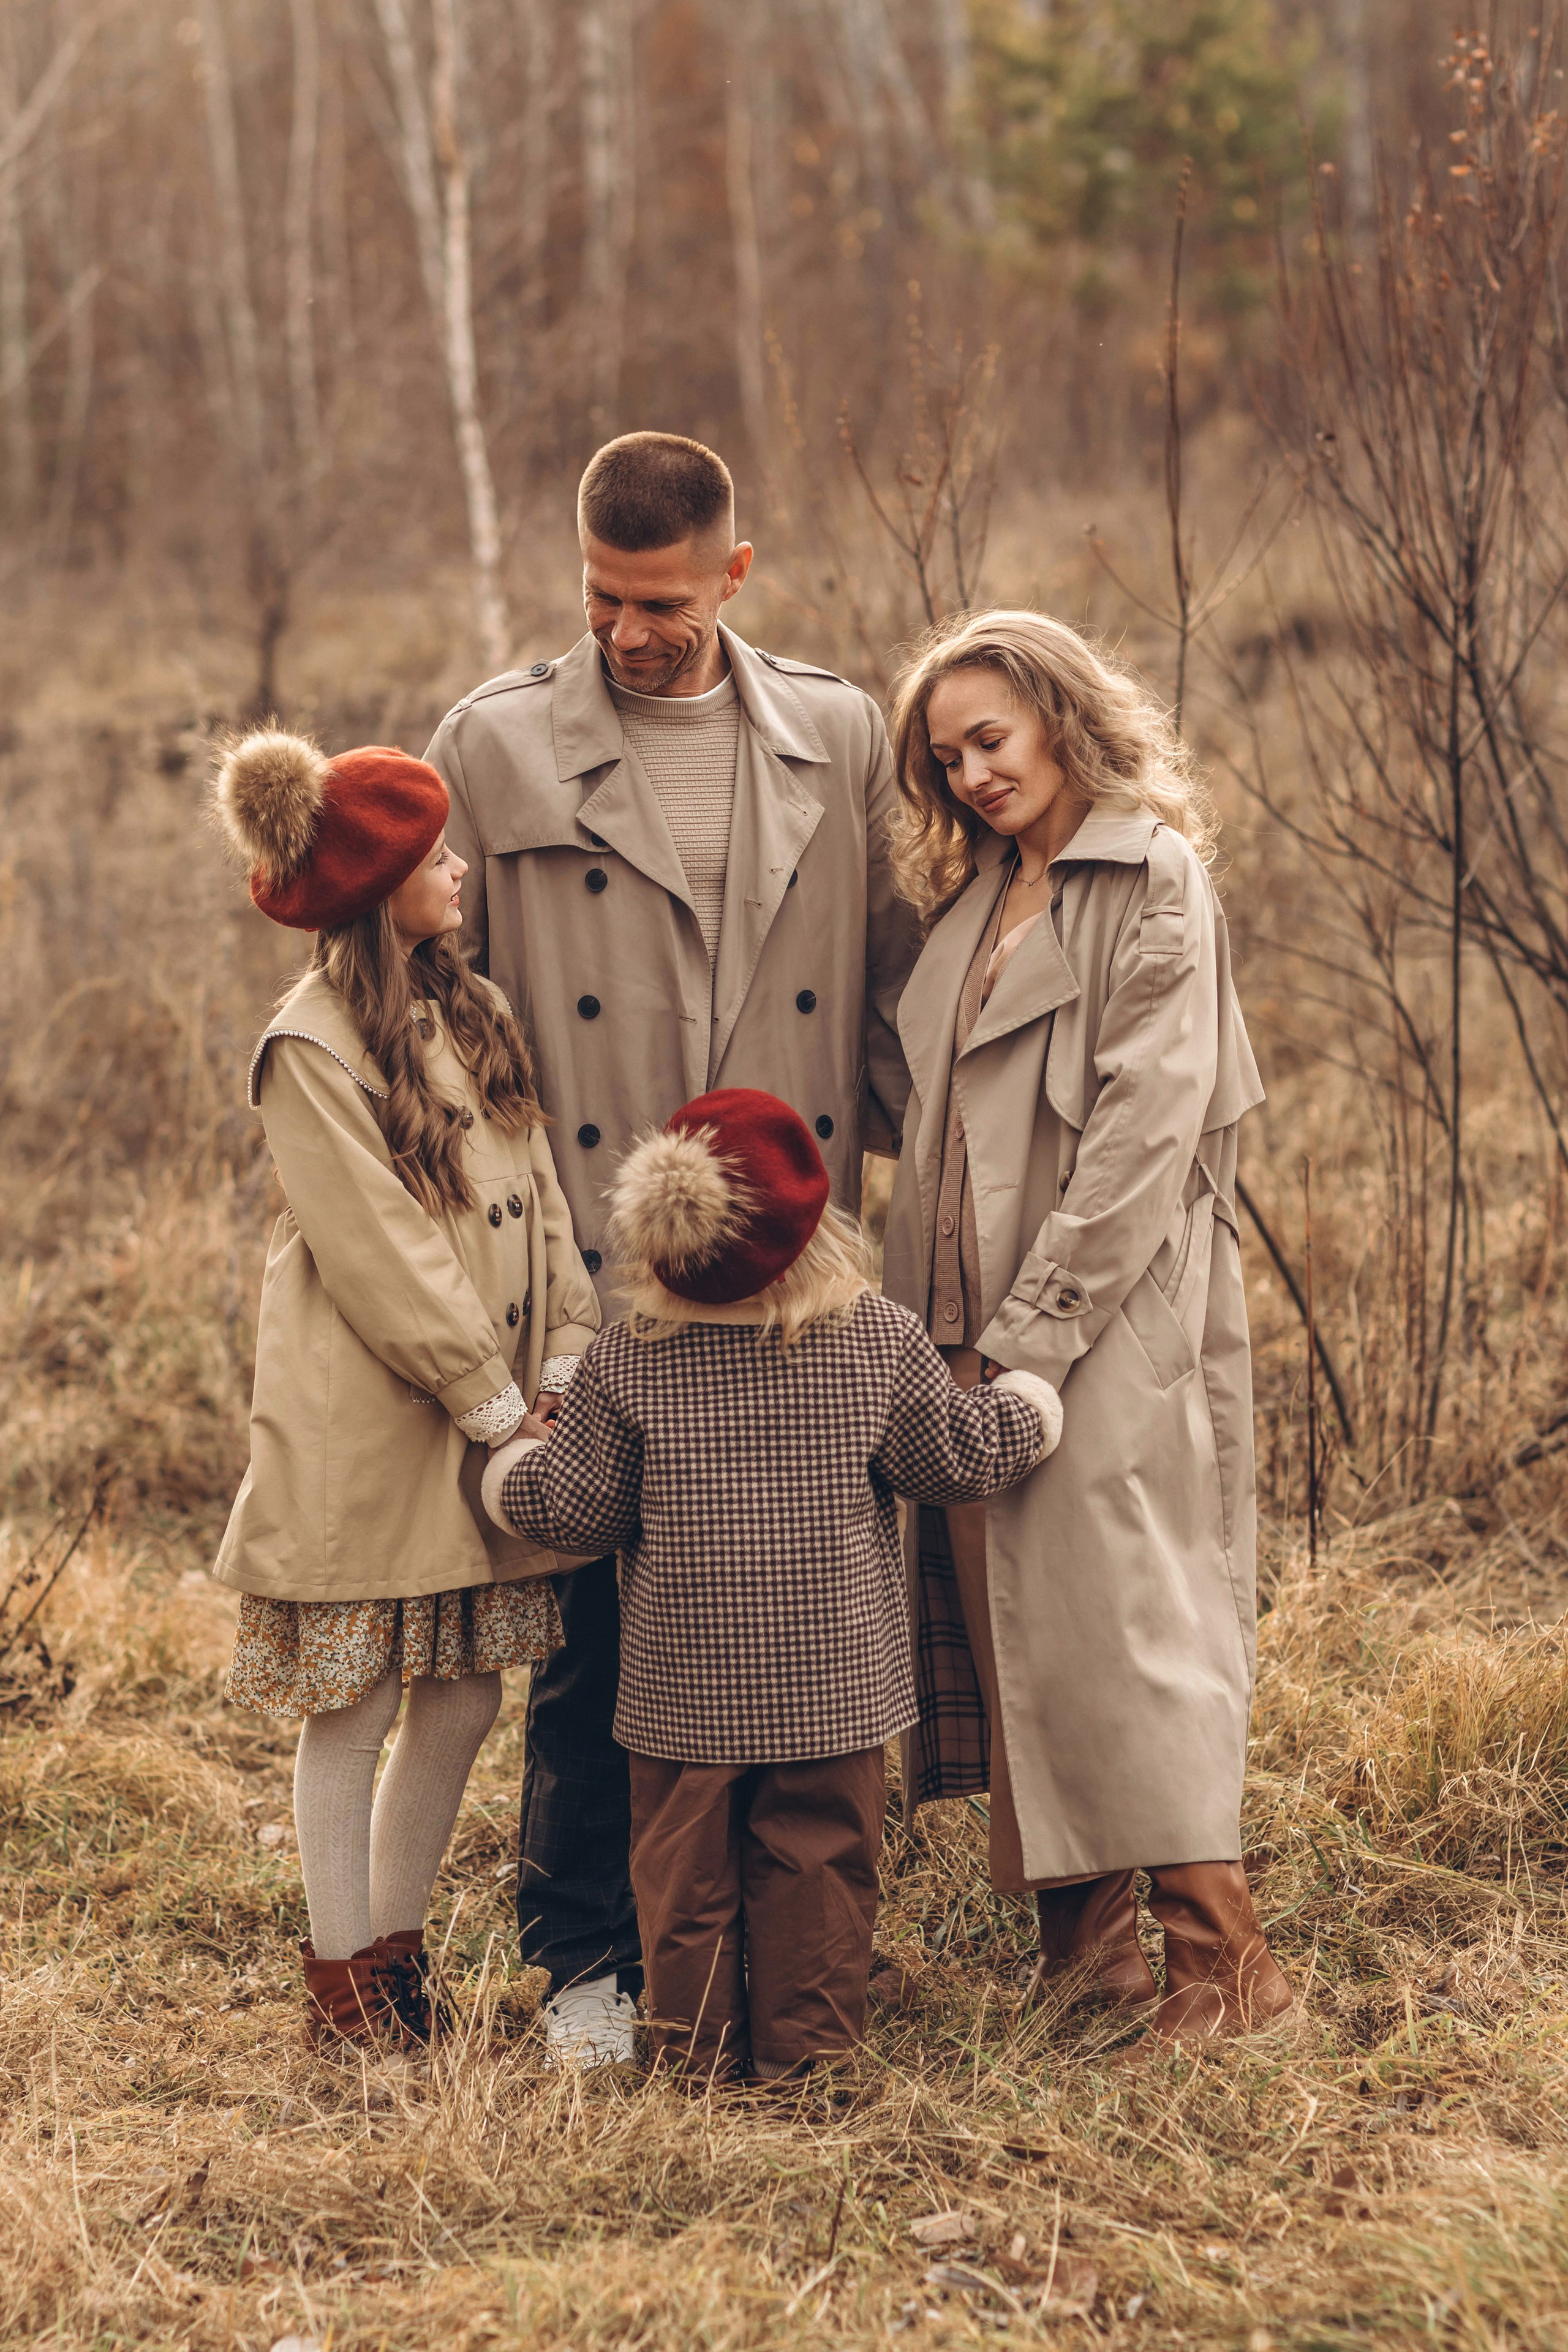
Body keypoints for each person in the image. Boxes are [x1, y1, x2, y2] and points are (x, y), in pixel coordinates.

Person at [423, 430, 921, 2064]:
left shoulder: (841, 734)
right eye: (603, 600)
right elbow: (446, 1028)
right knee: (589, 1632)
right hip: (590, 1263)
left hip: (798, 1259)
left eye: (663, 604)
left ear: (735, 573)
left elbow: (893, 994)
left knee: (798, 1613)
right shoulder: (496, 748)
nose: (632, 634)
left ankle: (803, 1948)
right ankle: (587, 1962)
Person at [880, 609, 1293, 2045]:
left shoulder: (1152, 875)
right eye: (946, 760)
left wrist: (1036, 1336)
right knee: (1018, 1638)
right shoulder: (981, 893)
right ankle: (1089, 1962)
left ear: (1059, 714)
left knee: (1129, 1626)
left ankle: (1224, 1968)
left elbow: (1138, 1134)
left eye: (989, 738)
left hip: (1098, 1321)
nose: (973, 775)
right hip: (957, 1325)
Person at [481, 1087, 1061, 2084]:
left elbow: (577, 1513)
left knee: (682, 1881)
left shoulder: (631, 1362)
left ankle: (699, 2062)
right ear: (812, 1226)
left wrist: (506, 1476)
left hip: (680, 1697)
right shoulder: (874, 1340)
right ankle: (810, 2062)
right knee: (822, 1867)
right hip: (832, 1691)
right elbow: (953, 1462)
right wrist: (1029, 1407)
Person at [210, 726, 600, 2048]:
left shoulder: (469, 1008)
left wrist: (562, 1360)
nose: (463, 867)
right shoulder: (308, 1046)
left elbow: (538, 1194)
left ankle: (395, 1953)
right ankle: (342, 1985)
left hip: (493, 1401)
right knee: (360, 1695)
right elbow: (375, 1251)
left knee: (468, 1689)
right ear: (379, 885)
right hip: (373, 1420)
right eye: (439, 855)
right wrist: (490, 1403)